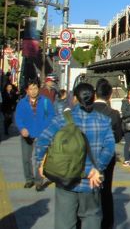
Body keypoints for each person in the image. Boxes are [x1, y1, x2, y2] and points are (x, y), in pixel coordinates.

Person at [35, 82, 116, 229]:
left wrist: (41, 162)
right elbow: (110, 148)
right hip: (92, 181)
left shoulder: (63, 119)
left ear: (75, 98)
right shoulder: (104, 120)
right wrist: (97, 169)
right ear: (94, 97)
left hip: (66, 178)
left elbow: (42, 141)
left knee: (64, 222)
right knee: (91, 218)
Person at [93, 78, 123, 229]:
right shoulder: (113, 114)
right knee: (106, 191)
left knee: (88, 189)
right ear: (110, 95)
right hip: (107, 156)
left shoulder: (87, 110)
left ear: (95, 94)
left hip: (88, 156)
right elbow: (118, 137)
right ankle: (107, 223)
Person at [15, 80, 55, 190]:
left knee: (39, 159)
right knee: (26, 159)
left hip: (41, 135)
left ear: (39, 89)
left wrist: (45, 130)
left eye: (35, 88)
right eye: (31, 89)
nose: (33, 91)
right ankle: (29, 179)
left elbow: (51, 116)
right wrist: (22, 128)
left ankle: (38, 181)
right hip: (26, 135)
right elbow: (18, 117)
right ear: (27, 90)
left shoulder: (45, 101)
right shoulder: (22, 103)